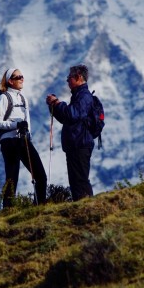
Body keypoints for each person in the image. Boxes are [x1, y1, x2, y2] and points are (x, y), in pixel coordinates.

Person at [0, 68, 47, 207]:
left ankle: (40, 207)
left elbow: (27, 122)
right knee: (12, 178)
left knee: (40, 175)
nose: (22, 79)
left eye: (22, 76)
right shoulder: (3, 98)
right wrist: (16, 124)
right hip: (9, 141)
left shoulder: (23, 98)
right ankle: (7, 211)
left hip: (23, 140)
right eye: (18, 77)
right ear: (10, 80)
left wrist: (26, 132)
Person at [46, 64, 94, 201]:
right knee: (76, 181)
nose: (67, 81)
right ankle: (83, 208)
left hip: (80, 144)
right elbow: (66, 119)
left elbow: (73, 114)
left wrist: (58, 103)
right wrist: (54, 106)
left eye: (69, 78)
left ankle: (88, 209)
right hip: (75, 144)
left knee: (80, 181)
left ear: (78, 77)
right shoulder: (78, 96)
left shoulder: (84, 96)